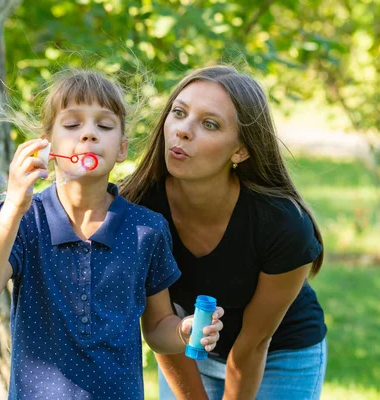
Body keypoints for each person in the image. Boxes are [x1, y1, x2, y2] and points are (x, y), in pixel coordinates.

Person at [0, 70, 224, 400]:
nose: (88, 134)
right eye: (72, 125)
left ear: (122, 148)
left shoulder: (146, 229)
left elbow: (157, 329)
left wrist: (183, 331)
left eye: (104, 125)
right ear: (47, 145)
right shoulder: (26, 220)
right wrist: (13, 206)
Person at [120, 65, 327, 400]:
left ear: (240, 150)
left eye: (209, 124)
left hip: (280, 353)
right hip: (186, 346)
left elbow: (254, 344)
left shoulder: (284, 225)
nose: (183, 131)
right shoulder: (138, 210)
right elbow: (160, 325)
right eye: (179, 113)